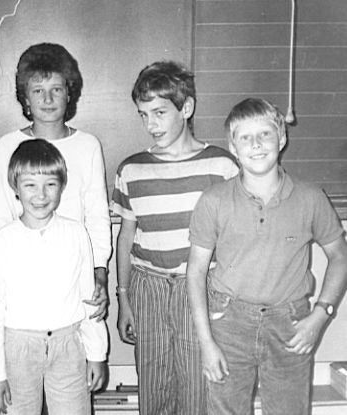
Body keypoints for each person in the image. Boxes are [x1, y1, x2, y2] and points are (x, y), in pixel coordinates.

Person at [187, 98, 347, 414]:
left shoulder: (311, 197)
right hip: (228, 322)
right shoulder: (213, 200)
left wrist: (320, 315)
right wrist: (207, 343)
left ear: (282, 139)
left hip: (290, 323)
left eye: (265, 134)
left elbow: (340, 256)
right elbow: (195, 272)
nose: (256, 144)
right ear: (232, 147)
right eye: (245, 137)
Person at [111, 60, 239, 414]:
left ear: (186, 108)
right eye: (143, 115)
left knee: (198, 385)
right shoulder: (132, 169)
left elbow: (236, 241)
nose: (151, 125)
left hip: (198, 287)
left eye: (159, 112)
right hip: (147, 287)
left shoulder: (222, 166)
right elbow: (126, 238)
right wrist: (123, 298)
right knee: (153, 387)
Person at [0, 42, 111, 321]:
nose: (48, 99)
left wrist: (99, 272)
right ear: (25, 98)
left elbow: (98, 216)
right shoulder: (8, 145)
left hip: (73, 269)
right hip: (21, 269)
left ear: (69, 94)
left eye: (57, 90)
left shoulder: (87, 145)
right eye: (38, 91)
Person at [0, 139, 108, 415]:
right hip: (18, 348)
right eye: (30, 185)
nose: (41, 195)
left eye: (50, 184)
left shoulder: (76, 233)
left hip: (68, 345)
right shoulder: (2, 241)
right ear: (15, 187)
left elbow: (89, 299)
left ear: (62, 186)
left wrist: (97, 353)